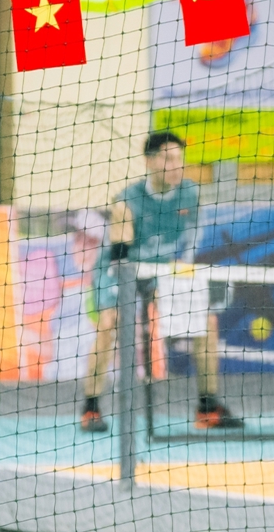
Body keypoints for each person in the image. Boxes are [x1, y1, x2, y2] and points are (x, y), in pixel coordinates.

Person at [81, 130, 243, 433]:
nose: (176, 166)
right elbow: (119, 255)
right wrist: (128, 283)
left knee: (205, 322)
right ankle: (91, 408)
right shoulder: (126, 201)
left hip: (161, 271)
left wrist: (185, 263)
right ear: (149, 162)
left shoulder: (190, 194)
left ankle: (207, 408)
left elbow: (194, 232)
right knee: (109, 324)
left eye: (179, 159)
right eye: (168, 159)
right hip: (119, 270)